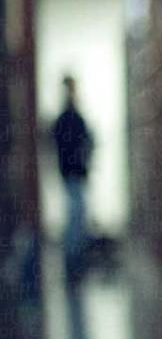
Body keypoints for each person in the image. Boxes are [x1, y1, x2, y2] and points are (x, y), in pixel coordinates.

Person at [51, 74, 92, 282]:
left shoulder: (72, 117)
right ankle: (73, 264)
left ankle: (75, 263)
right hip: (71, 174)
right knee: (74, 218)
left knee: (77, 218)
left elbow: (87, 141)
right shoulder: (66, 118)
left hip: (75, 174)